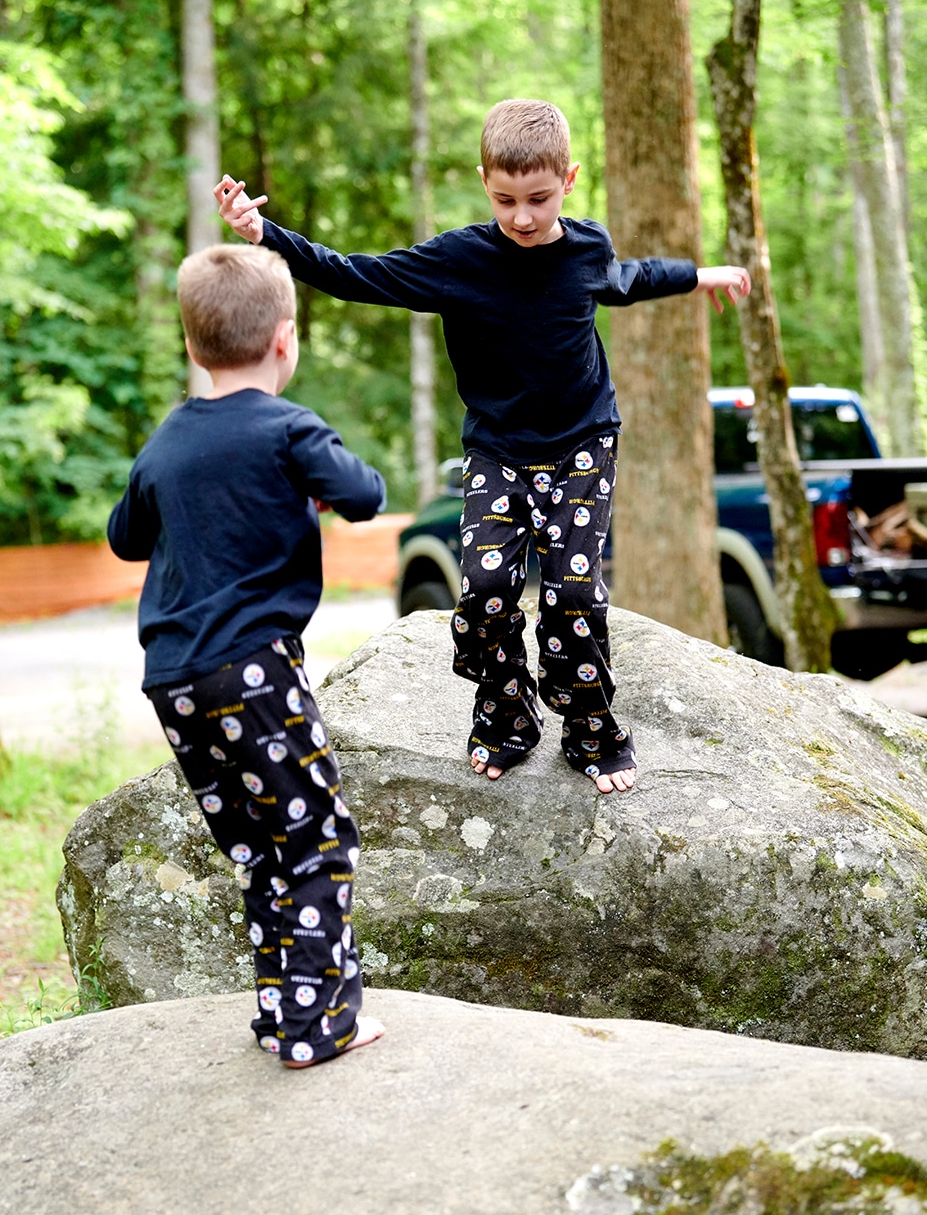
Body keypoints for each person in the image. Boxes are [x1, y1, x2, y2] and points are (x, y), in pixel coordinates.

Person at [214, 97, 750, 795]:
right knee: (488, 593)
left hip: (584, 443)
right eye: (505, 199)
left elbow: (627, 281)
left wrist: (699, 274)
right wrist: (264, 234)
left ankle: (591, 729)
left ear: (569, 179)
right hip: (498, 450)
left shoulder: (586, 248)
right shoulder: (457, 260)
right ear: (483, 180)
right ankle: (506, 715)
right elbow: (351, 273)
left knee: (573, 594)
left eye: (539, 198)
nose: (522, 217)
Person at [107, 244, 386, 1069]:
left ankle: (282, 1012)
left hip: (175, 681)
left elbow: (125, 538)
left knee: (261, 849)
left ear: (194, 349)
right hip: (253, 671)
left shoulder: (166, 443)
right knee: (318, 841)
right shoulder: (288, 429)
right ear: (285, 341)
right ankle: (313, 1027)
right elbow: (364, 495)